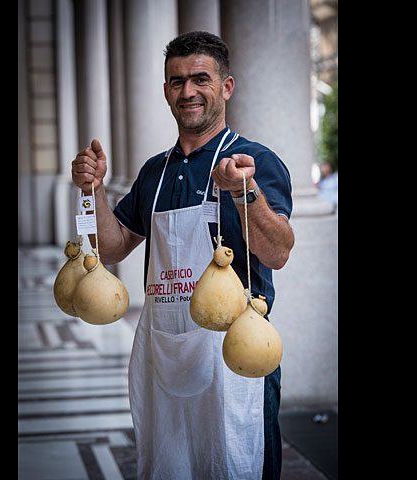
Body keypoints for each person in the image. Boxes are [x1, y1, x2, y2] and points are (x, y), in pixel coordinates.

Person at [71, 31, 295, 479]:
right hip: (164, 354)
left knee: (237, 464)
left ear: (226, 87)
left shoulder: (254, 160)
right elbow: (115, 247)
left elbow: (278, 252)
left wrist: (243, 192)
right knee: (170, 465)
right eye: (176, 82)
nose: (188, 91)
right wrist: (92, 191)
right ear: (165, 91)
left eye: (200, 79)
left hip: (234, 355)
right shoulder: (155, 170)